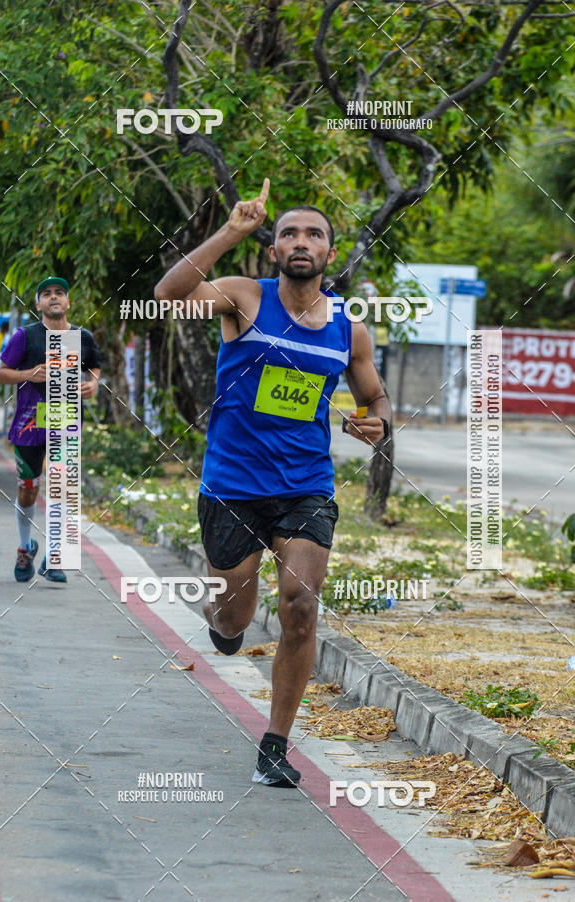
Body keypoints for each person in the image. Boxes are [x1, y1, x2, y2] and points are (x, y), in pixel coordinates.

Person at [154, 179, 391, 787]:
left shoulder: (349, 329)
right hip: (232, 485)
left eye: (314, 233)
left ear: (329, 253)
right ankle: (220, 621)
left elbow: (375, 399)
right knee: (235, 616)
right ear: (273, 250)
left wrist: (377, 423)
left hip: (306, 488)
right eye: (289, 233)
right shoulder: (243, 299)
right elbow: (168, 294)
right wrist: (232, 228)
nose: (301, 241)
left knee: (300, 607)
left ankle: (275, 745)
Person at [0, 277, 101, 583]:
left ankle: (54, 555)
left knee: (63, 489)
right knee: (28, 489)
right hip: (29, 424)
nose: (53, 297)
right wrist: (28, 374)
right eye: (47, 294)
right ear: (39, 304)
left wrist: (93, 382)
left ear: (68, 302)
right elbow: (2, 373)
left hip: (65, 417)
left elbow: (94, 365)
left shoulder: (82, 337)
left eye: (59, 293)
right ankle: (25, 546)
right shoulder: (25, 336)